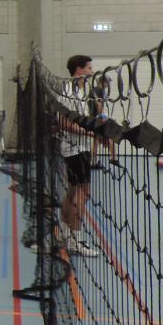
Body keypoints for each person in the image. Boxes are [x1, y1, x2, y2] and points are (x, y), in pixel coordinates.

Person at [56, 55, 100, 257]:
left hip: (79, 148)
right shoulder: (68, 92)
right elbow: (63, 122)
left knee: (74, 191)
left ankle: (65, 232)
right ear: (79, 69)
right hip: (74, 149)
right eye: (89, 68)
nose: (92, 71)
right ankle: (76, 240)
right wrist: (88, 133)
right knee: (83, 193)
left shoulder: (82, 92)